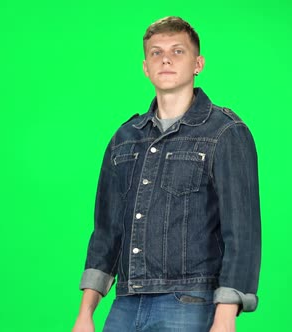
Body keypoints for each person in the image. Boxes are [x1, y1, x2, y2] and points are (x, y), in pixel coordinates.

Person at [72, 16, 261, 332]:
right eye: (156, 53)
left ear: (197, 63)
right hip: (127, 301)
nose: (166, 59)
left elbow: (242, 232)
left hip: (190, 302)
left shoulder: (226, 132)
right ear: (146, 67)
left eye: (178, 51)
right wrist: (85, 313)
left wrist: (226, 316)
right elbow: (106, 232)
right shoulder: (124, 138)